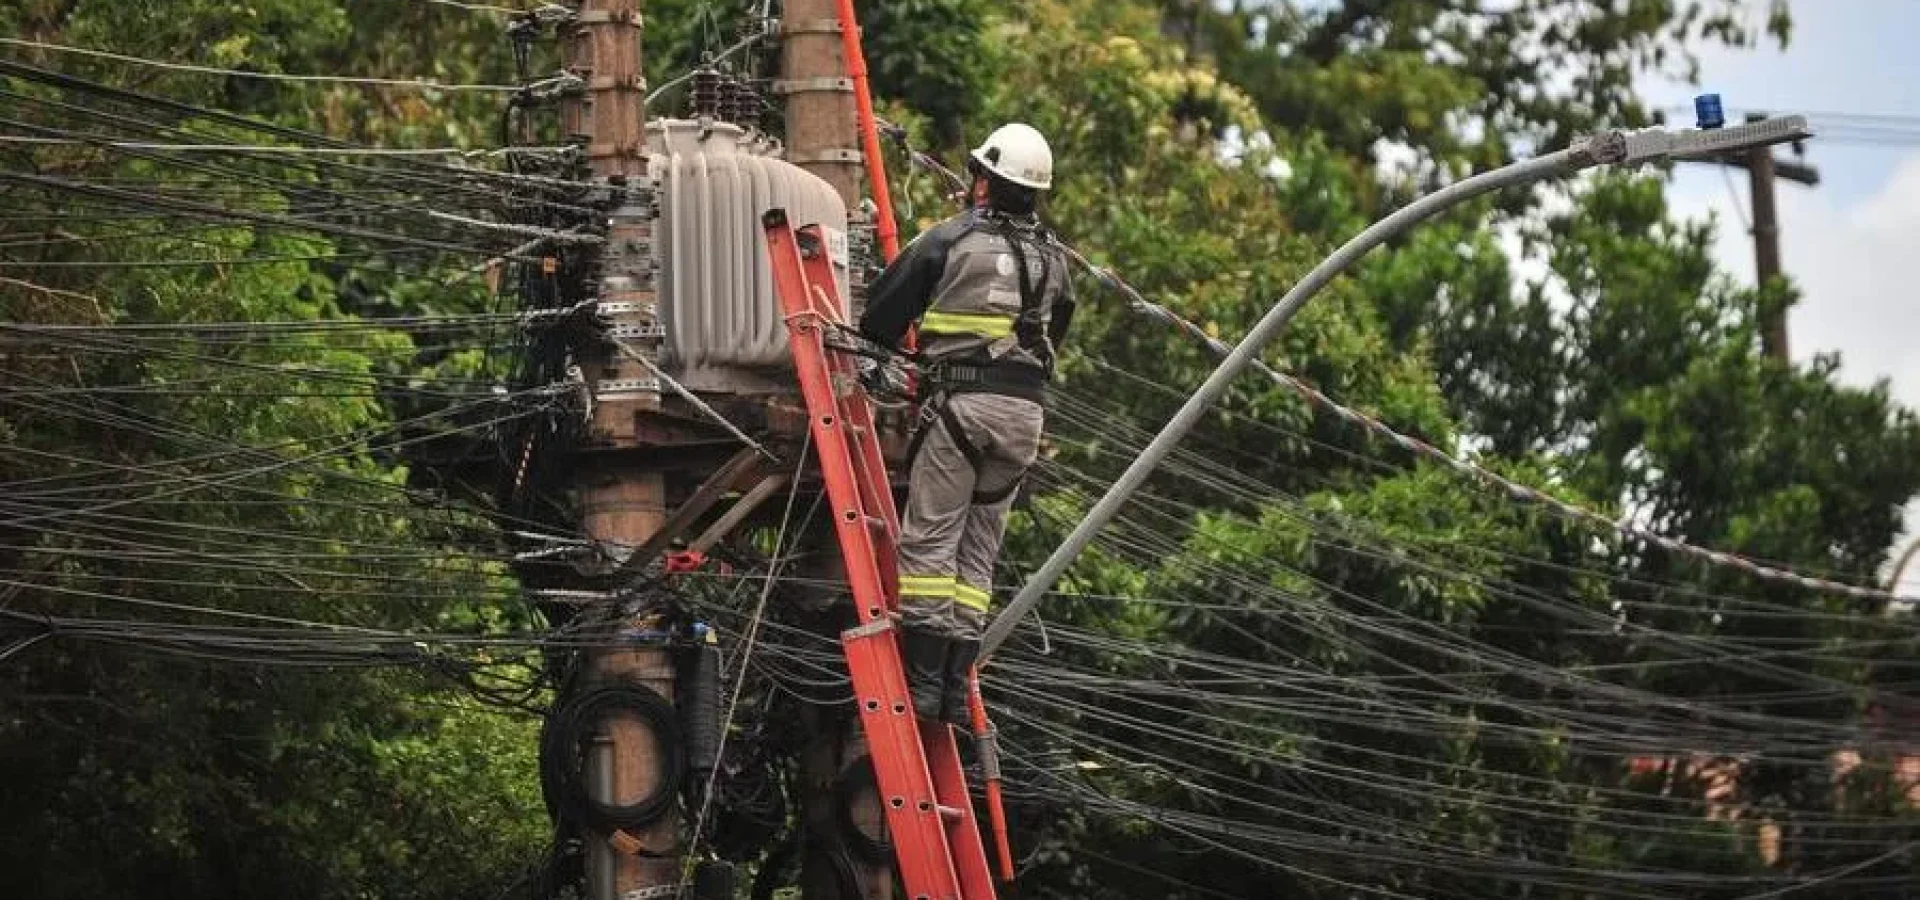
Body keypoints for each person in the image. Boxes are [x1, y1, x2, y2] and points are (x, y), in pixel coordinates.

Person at [858, 122, 1075, 725]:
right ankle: (955, 689)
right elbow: (1056, 330)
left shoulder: (951, 239)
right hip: (1023, 420)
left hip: (962, 410)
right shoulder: (1055, 259)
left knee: (931, 540)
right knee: (977, 554)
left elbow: (880, 316)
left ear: (984, 182)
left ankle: (926, 687)